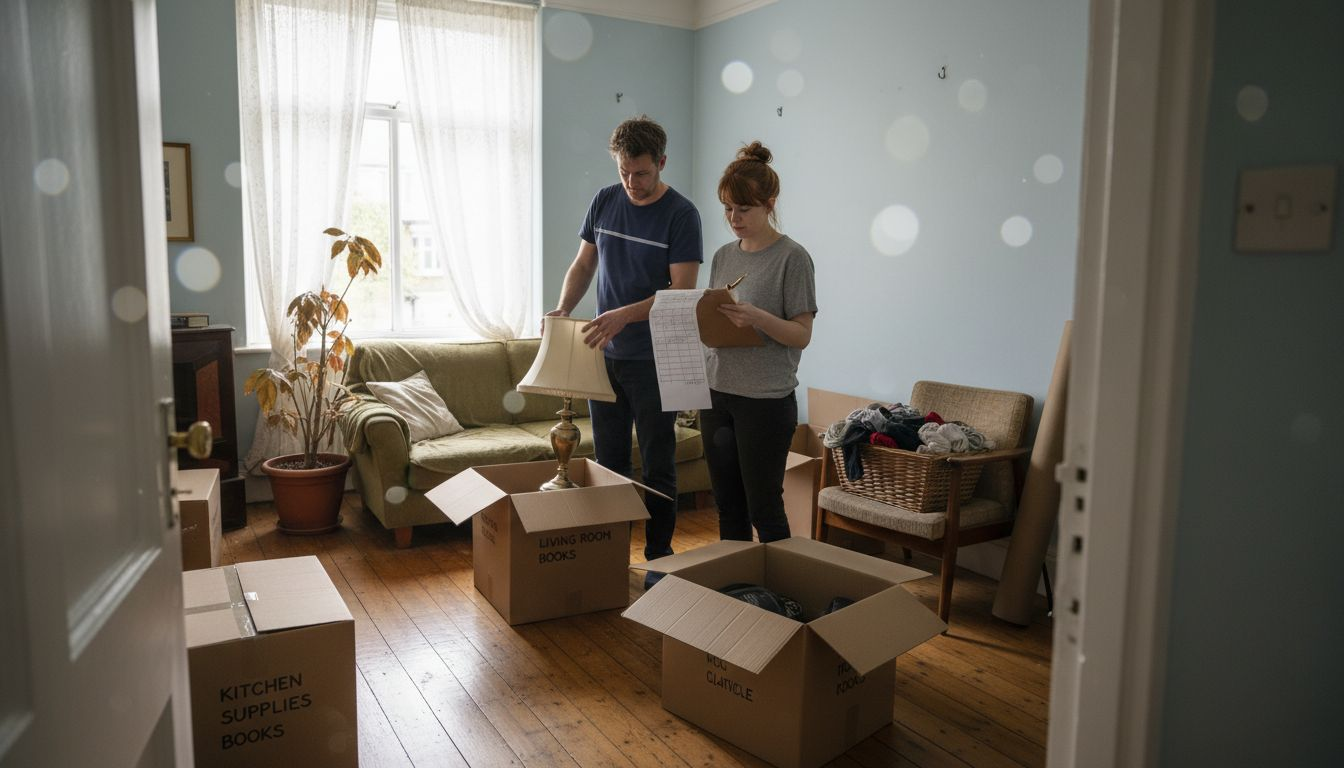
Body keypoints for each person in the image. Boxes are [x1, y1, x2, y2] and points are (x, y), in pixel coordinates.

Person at [547, 115, 703, 577]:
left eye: (642, 174)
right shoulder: (604, 201)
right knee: (608, 463)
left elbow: (682, 291)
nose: (632, 183)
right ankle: (609, 556)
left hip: (657, 360)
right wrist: (562, 307)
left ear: (662, 163)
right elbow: (583, 263)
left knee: (658, 465)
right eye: (624, 173)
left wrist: (622, 315)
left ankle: (658, 559)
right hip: (605, 358)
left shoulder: (682, 214)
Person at [702, 141, 817, 543]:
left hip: (766, 402)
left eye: (744, 209)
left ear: (769, 203)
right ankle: (736, 591)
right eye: (728, 209)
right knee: (727, 504)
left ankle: (779, 598)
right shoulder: (722, 256)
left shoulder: (793, 258)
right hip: (718, 395)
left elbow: (802, 335)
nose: (734, 218)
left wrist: (758, 318)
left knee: (763, 506)